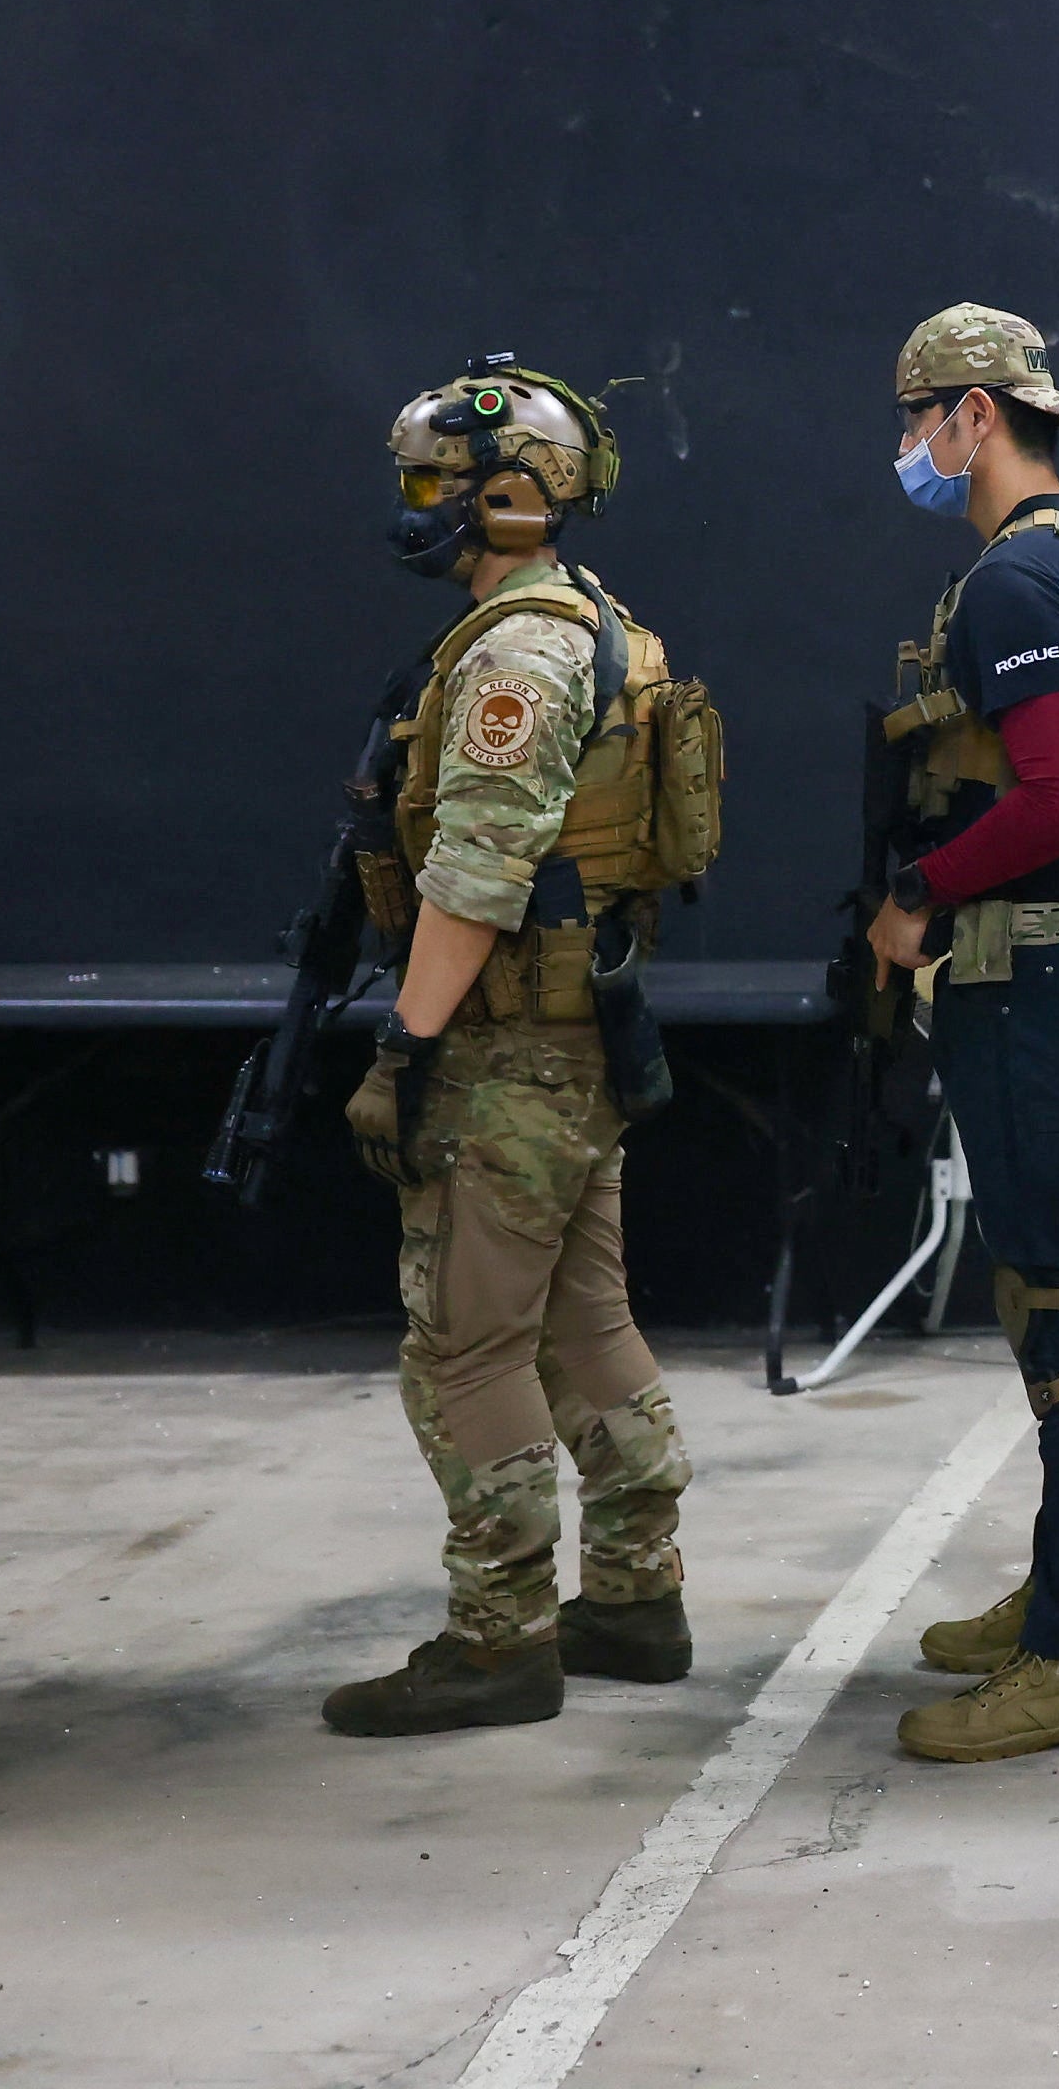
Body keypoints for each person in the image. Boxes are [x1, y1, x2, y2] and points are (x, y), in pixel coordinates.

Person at [325, 360, 695, 1736]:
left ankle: (501, 1638)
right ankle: (638, 1596)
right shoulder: (593, 625)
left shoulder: (513, 655)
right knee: (584, 1325)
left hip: (506, 1054)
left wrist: (403, 1049)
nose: (418, 507)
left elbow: (475, 876)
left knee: (466, 1350)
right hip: (576, 1046)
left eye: (438, 483)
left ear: (513, 496)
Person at [868, 304, 1059, 1764]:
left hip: (1039, 982)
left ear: (978, 415)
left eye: (924, 419)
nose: (916, 449)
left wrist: (918, 892)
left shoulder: (1017, 579)